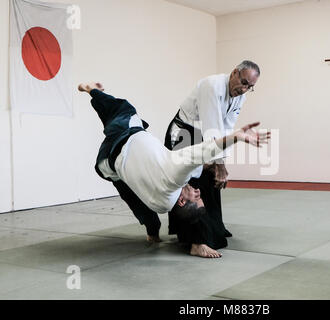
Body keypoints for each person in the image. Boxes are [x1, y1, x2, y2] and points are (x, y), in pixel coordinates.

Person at [79, 82, 270, 258]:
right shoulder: (161, 205)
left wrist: (235, 137)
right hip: (108, 166)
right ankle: (152, 232)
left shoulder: (173, 176)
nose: (198, 190)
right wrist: (210, 166)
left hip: (123, 135)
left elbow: (201, 152)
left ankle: (92, 90)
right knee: (134, 199)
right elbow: (193, 171)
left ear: (181, 200)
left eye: (196, 196)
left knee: (121, 108)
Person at [164, 60, 260, 250]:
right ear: (234, 73)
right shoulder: (212, 86)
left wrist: (221, 165)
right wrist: (220, 164)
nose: (244, 89)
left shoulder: (240, 96)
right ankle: (195, 240)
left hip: (205, 137)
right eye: (243, 82)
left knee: (212, 181)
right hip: (184, 134)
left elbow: (228, 129)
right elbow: (212, 127)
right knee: (190, 185)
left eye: (250, 87)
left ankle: (215, 227)